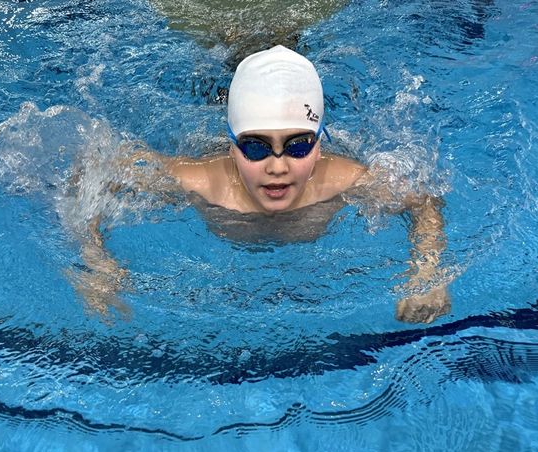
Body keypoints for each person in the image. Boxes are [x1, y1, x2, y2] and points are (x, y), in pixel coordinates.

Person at [74, 45, 451, 323]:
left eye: (298, 146)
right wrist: (96, 263)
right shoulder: (201, 181)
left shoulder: (341, 179)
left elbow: (423, 200)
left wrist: (428, 273)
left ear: (319, 146)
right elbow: (98, 175)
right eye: (256, 147)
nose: (277, 167)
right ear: (232, 147)